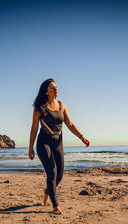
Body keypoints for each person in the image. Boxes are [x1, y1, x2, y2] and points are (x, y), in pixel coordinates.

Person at [29, 79, 90, 215]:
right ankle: (55, 205)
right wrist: (30, 148)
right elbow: (34, 128)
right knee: (52, 171)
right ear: (46, 91)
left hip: (58, 143)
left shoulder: (62, 105)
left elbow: (70, 124)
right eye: (52, 87)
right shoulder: (40, 107)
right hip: (43, 142)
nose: (56, 89)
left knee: (60, 175)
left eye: (56, 87)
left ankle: (47, 191)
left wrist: (81, 137)